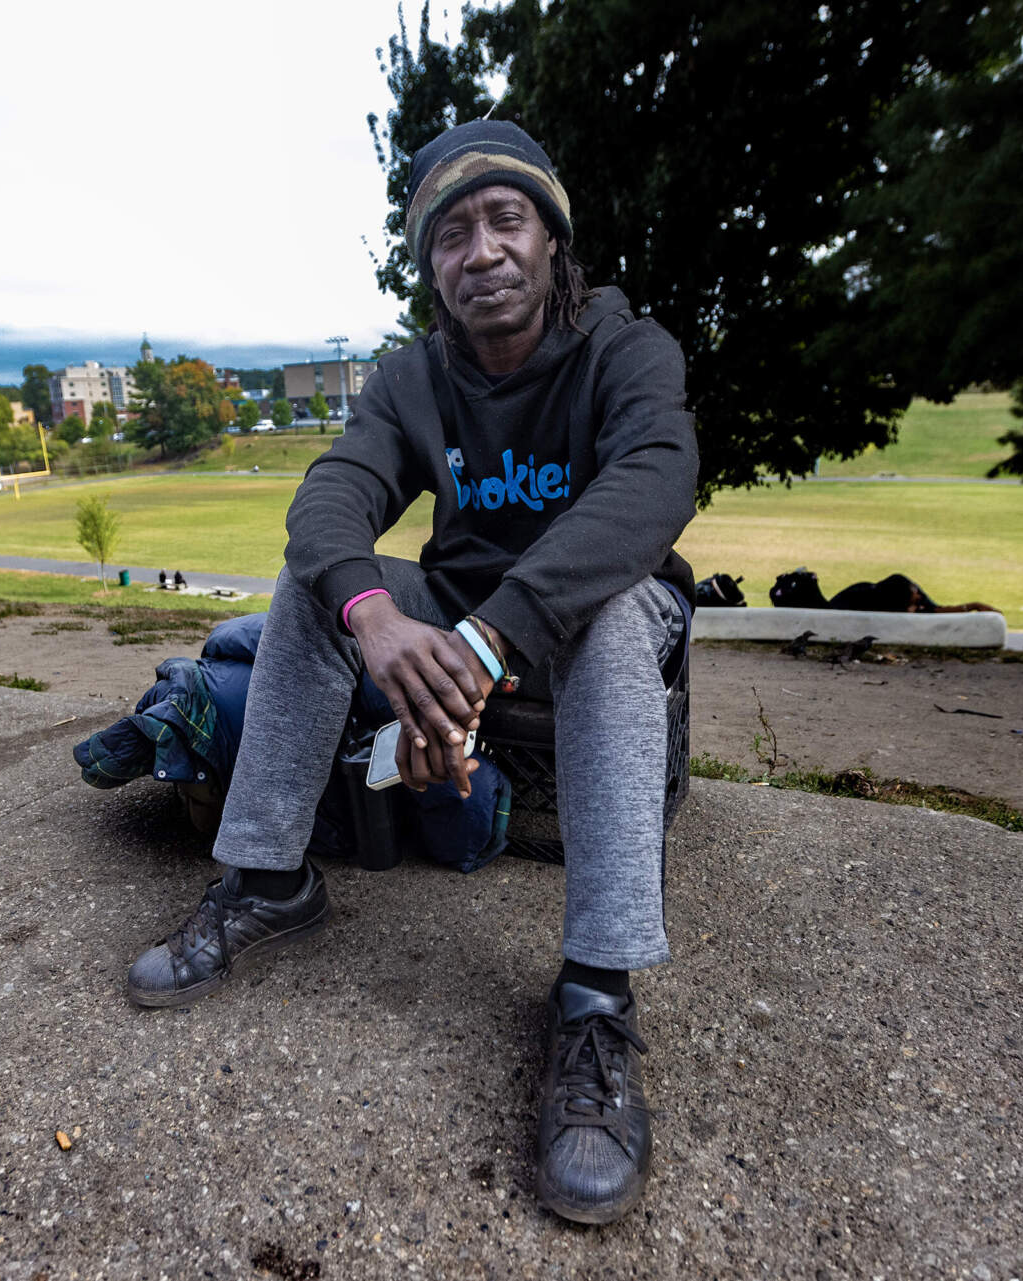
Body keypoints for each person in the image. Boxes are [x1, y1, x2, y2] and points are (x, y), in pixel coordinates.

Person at [122, 120, 699, 1225]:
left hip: (603, 607)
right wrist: (378, 616)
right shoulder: (411, 378)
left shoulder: (628, 348)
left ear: (552, 242)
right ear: (430, 266)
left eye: (505, 219)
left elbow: (656, 483)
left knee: (618, 612)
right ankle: (268, 878)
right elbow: (330, 497)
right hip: (455, 607)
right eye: (450, 234)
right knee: (310, 584)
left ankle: (595, 996)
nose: (479, 250)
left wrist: (486, 647)